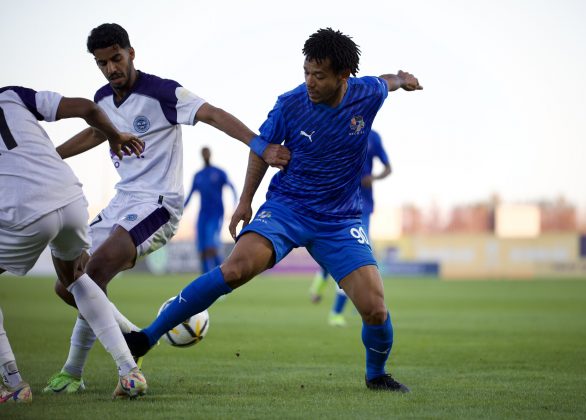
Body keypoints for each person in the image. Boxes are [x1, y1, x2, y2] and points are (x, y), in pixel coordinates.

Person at [124, 28, 421, 393]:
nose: (310, 82)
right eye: (306, 72)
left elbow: (386, 81)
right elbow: (261, 147)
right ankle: (146, 338)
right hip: (287, 208)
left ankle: (376, 376)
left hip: (339, 219)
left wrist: (403, 80)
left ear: (344, 76)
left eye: (320, 75)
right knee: (234, 269)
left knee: (375, 309)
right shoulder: (291, 104)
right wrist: (246, 200)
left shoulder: (367, 93)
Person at [44, 23, 290, 394]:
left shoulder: (162, 92)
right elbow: (97, 133)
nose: (112, 68)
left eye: (116, 58)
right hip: (120, 202)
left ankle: (87, 371)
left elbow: (213, 114)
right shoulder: (102, 99)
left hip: (157, 205)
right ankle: (133, 337)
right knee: (68, 285)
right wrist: (49, 157)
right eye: (102, 63)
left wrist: (259, 145)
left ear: (131, 53)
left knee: (92, 274)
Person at [0, 86, 148, 401]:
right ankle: (128, 371)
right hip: (69, 196)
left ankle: (13, 384)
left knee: (74, 278)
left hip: (23, 207)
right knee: (74, 278)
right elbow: (88, 108)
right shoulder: (11, 95)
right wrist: (114, 135)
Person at [309, 130, 392, 327]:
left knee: (353, 258)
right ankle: (321, 281)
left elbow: (388, 168)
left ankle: (336, 312)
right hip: (336, 204)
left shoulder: (374, 138)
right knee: (333, 255)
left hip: (362, 207)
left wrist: (374, 178)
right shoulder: (338, 129)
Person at [184, 147, 237, 273]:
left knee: (211, 246)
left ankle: (223, 275)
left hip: (216, 213)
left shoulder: (219, 172)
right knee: (202, 249)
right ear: (202, 155)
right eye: (203, 153)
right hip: (202, 215)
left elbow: (232, 188)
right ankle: (204, 279)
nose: (205, 155)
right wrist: (178, 211)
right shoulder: (198, 176)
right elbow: (190, 195)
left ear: (210, 154)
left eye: (207, 153)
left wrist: (235, 206)